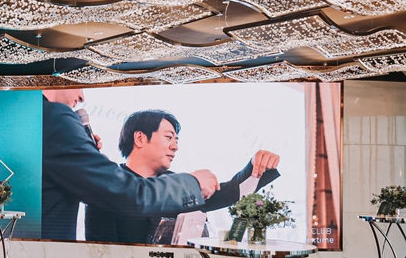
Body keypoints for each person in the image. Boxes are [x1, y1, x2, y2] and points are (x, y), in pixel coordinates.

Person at [41, 89, 220, 241]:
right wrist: (192, 184)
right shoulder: (54, 117)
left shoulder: (30, 115)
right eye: (168, 137)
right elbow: (125, 193)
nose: (82, 97)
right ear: (140, 138)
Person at [85, 109, 280, 243]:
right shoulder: (109, 186)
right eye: (168, 137)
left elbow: (230, 192)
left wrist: (256, 165)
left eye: (176, 140)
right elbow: (99, 252)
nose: (175, 146)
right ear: (140, 138)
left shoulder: (179, 185)